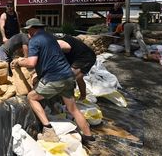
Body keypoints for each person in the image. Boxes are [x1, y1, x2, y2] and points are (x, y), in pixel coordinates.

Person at [13, 18, 98, 154]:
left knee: (31, 97)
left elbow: (31, 63)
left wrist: (19, 62)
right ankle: (90, 140)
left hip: (54, 78)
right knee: (74, 109)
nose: (28, 33)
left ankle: (48, 130)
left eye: (28, 30)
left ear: (32, 28)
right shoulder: (51, 37)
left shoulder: (34, 40)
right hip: (68, 76)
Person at [56, 34, 96, 100]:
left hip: (84, 57)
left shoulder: (51, 42)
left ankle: (70, 103)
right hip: (78, 56)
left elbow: (67, 48)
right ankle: (83, 96)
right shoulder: (50, 38)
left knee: (67, 78)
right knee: (79, 78)